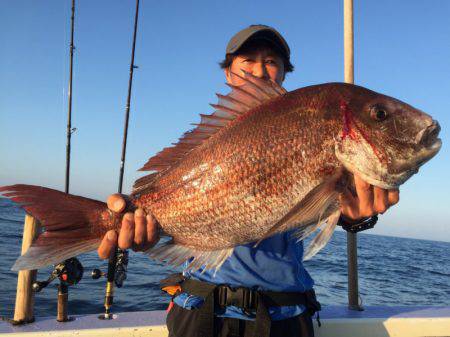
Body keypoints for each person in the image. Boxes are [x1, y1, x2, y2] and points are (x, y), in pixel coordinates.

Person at [97, 25, 400, 337]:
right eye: (248, 61)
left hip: (285, 312)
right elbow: (172, 215)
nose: (259, 70)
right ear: (228, 73)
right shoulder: (213, 139)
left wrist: (356, 217)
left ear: (284, 73)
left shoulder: (312, 127)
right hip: (200, 307)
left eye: (271, 62)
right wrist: (141, 229)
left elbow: (335, 206)